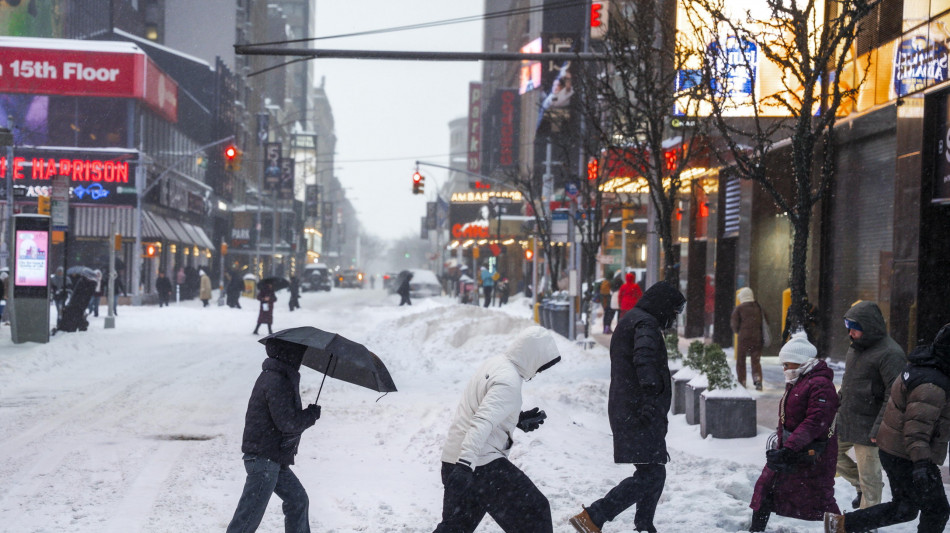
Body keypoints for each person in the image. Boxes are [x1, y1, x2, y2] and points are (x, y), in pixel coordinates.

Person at [569, 281, 686, 533]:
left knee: (653, 471)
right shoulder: (645, 324)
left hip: (632, 408)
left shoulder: (635, 319)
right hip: (639, 411)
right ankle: (593, 516)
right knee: (652, 473)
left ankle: (643, 524)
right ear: (663, 306)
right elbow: (644, 362)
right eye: (674, 313)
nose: (674, 319)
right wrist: (649, 398)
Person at [823, 323, 950, 533]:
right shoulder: (932, 384)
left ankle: (841, 525)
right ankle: (840, 525)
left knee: (906, 507)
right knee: (936, 510)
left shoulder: (929, 365)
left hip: (898, 450)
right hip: (908, 454)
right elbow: (917, 428)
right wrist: (921, 464)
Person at [434, 326, 562, 533]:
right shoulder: (509, 381)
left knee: (456, 527)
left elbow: (480, 408)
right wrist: (466, 465)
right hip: (480, 466)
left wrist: (516, 420)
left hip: (455, 459)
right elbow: (482, 421)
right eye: (540, 366)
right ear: (532, 357)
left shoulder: (495, 364)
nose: (538, 371)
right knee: (536, 512)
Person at [226, 337, 322, 533]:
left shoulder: (279, 377)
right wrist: (310, 415)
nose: (301, 360)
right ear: (289, 354)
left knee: (298, 500)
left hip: (272, 457)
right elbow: (287, 423)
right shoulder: (275, 379)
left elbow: (285, 419)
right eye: (299, 354)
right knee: (247, 519)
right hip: (264, 460)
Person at [748, 332, 840, 532]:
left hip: (814, 454)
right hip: (792, 448)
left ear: (799, 362)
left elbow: (816, 421)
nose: (784, 369)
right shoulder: (801, 380)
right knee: (765, 488)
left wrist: (789, 448)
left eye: (786, 364)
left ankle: (838, 530)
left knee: (823, 499)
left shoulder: (820, 384)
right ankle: (755, 530)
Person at [835, 301, 905, 511]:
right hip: (847, 418)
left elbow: (894, 395)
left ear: (868, 327)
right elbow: (849, 381)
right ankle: (859, 488)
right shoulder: (855, 347)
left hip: (871, 425)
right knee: (829, 453)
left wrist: (878, 428)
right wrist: (836, 403)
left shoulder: (891, 354)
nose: (850, 333)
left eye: (854, 328)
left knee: (870, 477)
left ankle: (868, 518)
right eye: (848, 327)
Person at [730, 287, 766, 390]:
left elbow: (734, 325)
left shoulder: (739, 308)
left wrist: (740, 331)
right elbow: (765, 321)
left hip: (743, 338)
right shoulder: (758, 307)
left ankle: (742, 381)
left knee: (741, 360)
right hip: (757, 337)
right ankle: (758, 380)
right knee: (756, 361)